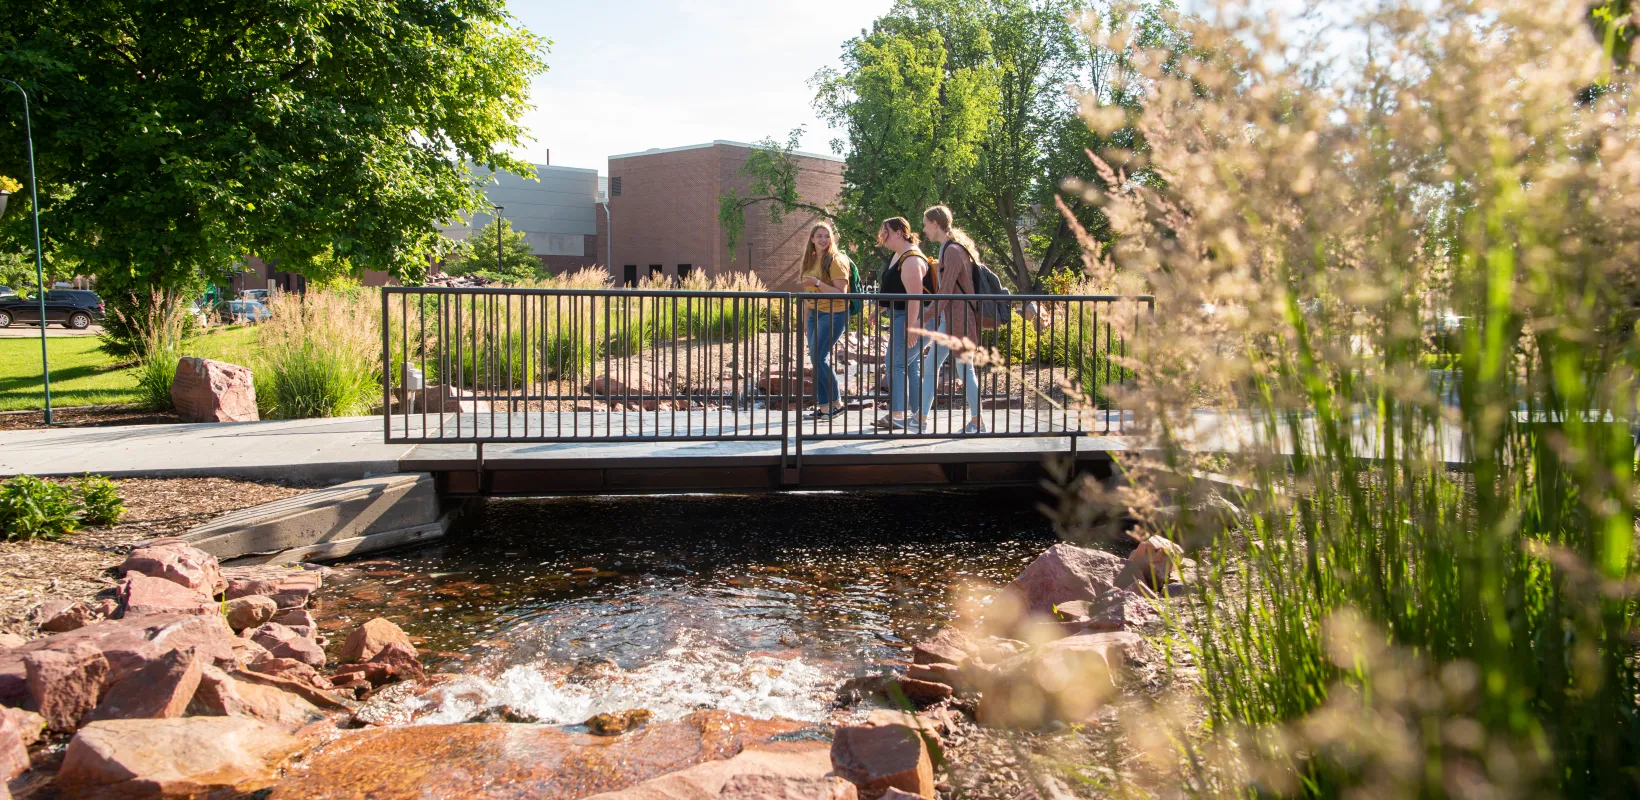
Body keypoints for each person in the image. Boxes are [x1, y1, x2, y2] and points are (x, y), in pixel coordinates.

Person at [918, 205, 986, 434]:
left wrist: (924, 317)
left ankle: (978, 423)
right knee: (931, 365)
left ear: (935, 224)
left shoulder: (953, 251)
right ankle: (921, 418)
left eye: (926, 224)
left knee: (965, 370)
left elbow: (945, 291)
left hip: (960, 319)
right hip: (951, 319)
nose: (924, 229)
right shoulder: (948, 248)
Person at [873, 217, 932, 431]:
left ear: (899, 232)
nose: (882, 235)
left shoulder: (911, 259)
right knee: (909, 364)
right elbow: (894, 288)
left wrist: (912, 328)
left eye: (885, 231)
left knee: (894, 363)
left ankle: (897, 415)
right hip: (901, 315)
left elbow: (915, 298)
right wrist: (879, 308)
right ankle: (918, 417)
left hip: (913, 317)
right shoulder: (898, 256)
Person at [798, 222, 853, 419]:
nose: (823, 239)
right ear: (812, 239)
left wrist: (818, 283)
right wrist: (806, 321)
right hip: (814, 315)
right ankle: (824, 408)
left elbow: (841, 293)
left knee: (819, 359)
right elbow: (807, 296)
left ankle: (837, 403)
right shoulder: (810, 261)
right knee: (816, 360)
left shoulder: (836, 261)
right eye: (819, 236)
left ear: (832, 239)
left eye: (827, 236)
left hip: (833, 314)